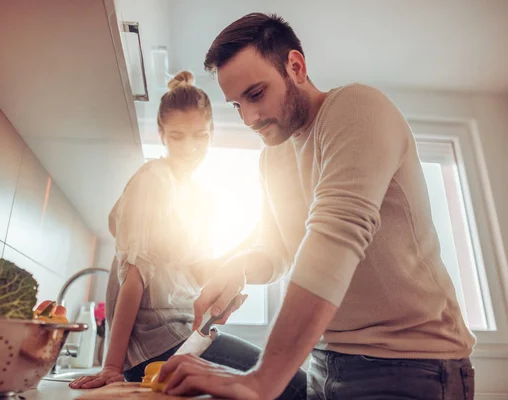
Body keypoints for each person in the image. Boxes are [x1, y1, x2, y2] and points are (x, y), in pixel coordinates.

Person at [156, 14, 477, 400]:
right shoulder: (271, 159)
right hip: (324, 365)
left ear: (296, 66)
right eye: (237, 105)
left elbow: (335, 237)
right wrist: (239, 266)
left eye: (256, 95)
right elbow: (276, 250)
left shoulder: (356, 108)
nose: (250, 119)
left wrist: (262, 380)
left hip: (412, 367)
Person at [69, 70, 307, 400]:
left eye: (199, 136)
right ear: (162, 135)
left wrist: (246, 251)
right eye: (178, 136)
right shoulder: (154, 178)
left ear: (211, 134)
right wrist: (112, 366)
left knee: (292, 385)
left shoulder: (199, 196)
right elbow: (134, 273)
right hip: (157, 346)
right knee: (295, 387)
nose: (190, 147)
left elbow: (196, 272)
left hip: (186, 336)